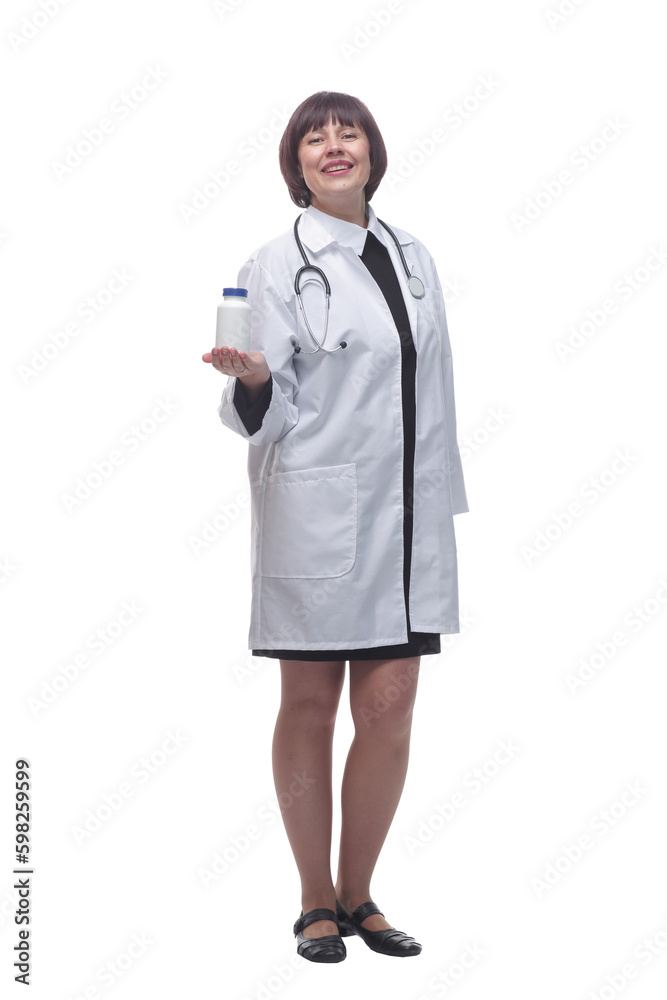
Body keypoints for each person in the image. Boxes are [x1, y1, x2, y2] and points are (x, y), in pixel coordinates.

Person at [202, 91, 469, 963]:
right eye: (314, 138)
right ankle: (314, 899)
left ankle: (361, 894)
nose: (332, 144)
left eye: (346, 130)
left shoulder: (413, 255)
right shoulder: (278, 263)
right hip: (317, 521)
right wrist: (249, 382)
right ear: (298, 165)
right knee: (310, 705)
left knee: (389, 707)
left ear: (371, 149)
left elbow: (430, 397)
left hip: (406, 523)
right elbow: (265, 409)